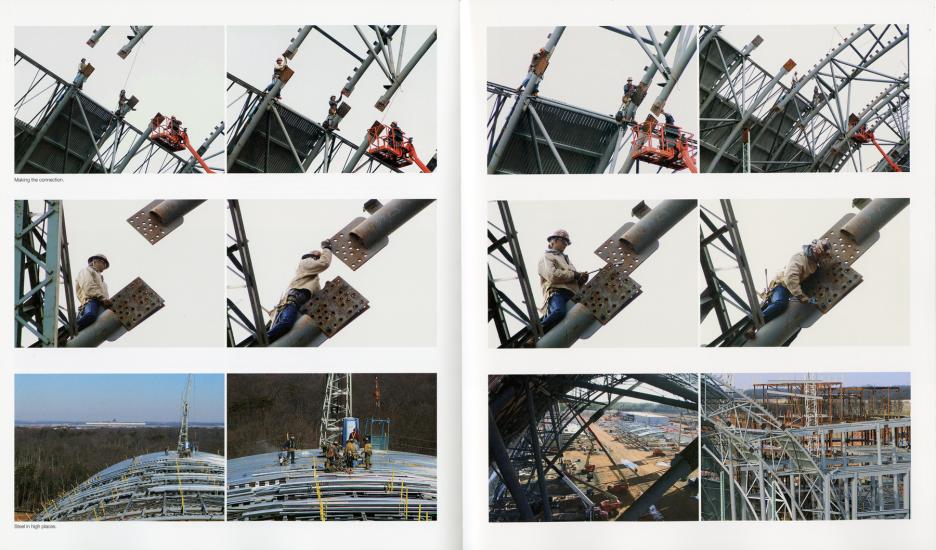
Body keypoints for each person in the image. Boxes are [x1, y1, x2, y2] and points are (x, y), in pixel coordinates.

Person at [750, 239, 832, 340]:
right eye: (818, 254)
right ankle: (754, 324)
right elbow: (790, 278)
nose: (818, 257)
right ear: (814, 249)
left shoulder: (813, 265)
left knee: (795, 326)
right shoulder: (800, 258)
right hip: (781, 286)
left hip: (790, 292)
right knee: (780, 303)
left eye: (820, 256)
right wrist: (800, 295)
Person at [266, 241, 333, 343]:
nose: (320, 256)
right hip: (293, 299)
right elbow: (324, 263)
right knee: (286, 323)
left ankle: (268, 339)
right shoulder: (306, 262)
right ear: (314, 257)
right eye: (319, 256)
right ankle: (262, 339)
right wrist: (326, 248)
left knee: (287, 327)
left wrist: (327, 290)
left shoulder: (312, 279)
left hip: (298, 303)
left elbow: (316, 297)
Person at [538, 230, 589, 333]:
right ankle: (535, 333)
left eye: (566, 243)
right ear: (553, 241)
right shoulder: (546, 257)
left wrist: (580, 280)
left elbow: (571, 279)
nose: (565, 245)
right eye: (563, 241)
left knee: (570, 322)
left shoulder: (566, 260)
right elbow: (552, 275)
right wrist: (575, 275)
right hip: (557, 292)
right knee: (559, 312)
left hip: (571, 295)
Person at [75, 254, 111, 331]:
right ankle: (69, 329)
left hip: (101, 303)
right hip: (91, 300)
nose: (104, 265)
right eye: (103, 262)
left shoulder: (102, 281)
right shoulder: (86, 271)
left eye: (105, 264)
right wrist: (102, 298)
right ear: (95, 261)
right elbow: (88, 286)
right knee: (90, 315)